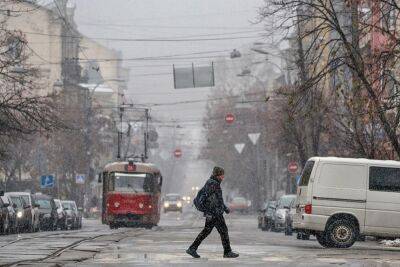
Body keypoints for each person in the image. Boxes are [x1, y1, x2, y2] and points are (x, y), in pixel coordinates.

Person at [186, 166, 239, 258]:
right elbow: (207, 198)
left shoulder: (212, 183)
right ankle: (227, 252)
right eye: (222, 175)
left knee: (207, 231)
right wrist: (210, 211)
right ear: (218, 175)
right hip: (215, 213)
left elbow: (218, 200)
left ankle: (192, 248)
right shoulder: (213, 184)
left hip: (213, 212)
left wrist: (225, 209)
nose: (223, 177)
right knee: (223, 231)